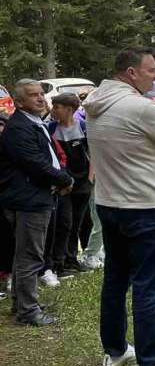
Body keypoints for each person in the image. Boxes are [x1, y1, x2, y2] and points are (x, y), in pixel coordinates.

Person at [84, 48, 155, 366]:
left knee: (116, 279)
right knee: (149, 283)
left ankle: (115, 349)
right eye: (151, 70)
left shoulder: (95, 102)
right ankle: (153, 360)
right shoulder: (141, 108)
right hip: (146, 205)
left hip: (110, 202)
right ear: (131, 72)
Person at [0, 79, 75, 326]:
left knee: (26, 254)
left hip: (35, 195)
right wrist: (64, 178)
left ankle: (22, 303)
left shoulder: (32, 123)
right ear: (20, 102)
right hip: (28, 199)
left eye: (42, 94)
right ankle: (28, 311)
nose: (41, 98)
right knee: (30, 256)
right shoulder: (19, 127)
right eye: (33, 95)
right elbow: (35, 163)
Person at [47, 92, 92, 277]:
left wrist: (91, 176)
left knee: (77, 223)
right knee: (64, 222)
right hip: (63, 183)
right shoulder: (51, 129)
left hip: (82, 183)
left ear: (69, 109)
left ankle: (72, 258)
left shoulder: (83, 127)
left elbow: (93, 152)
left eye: (57, 107)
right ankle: (59, 261)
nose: (53, 110)